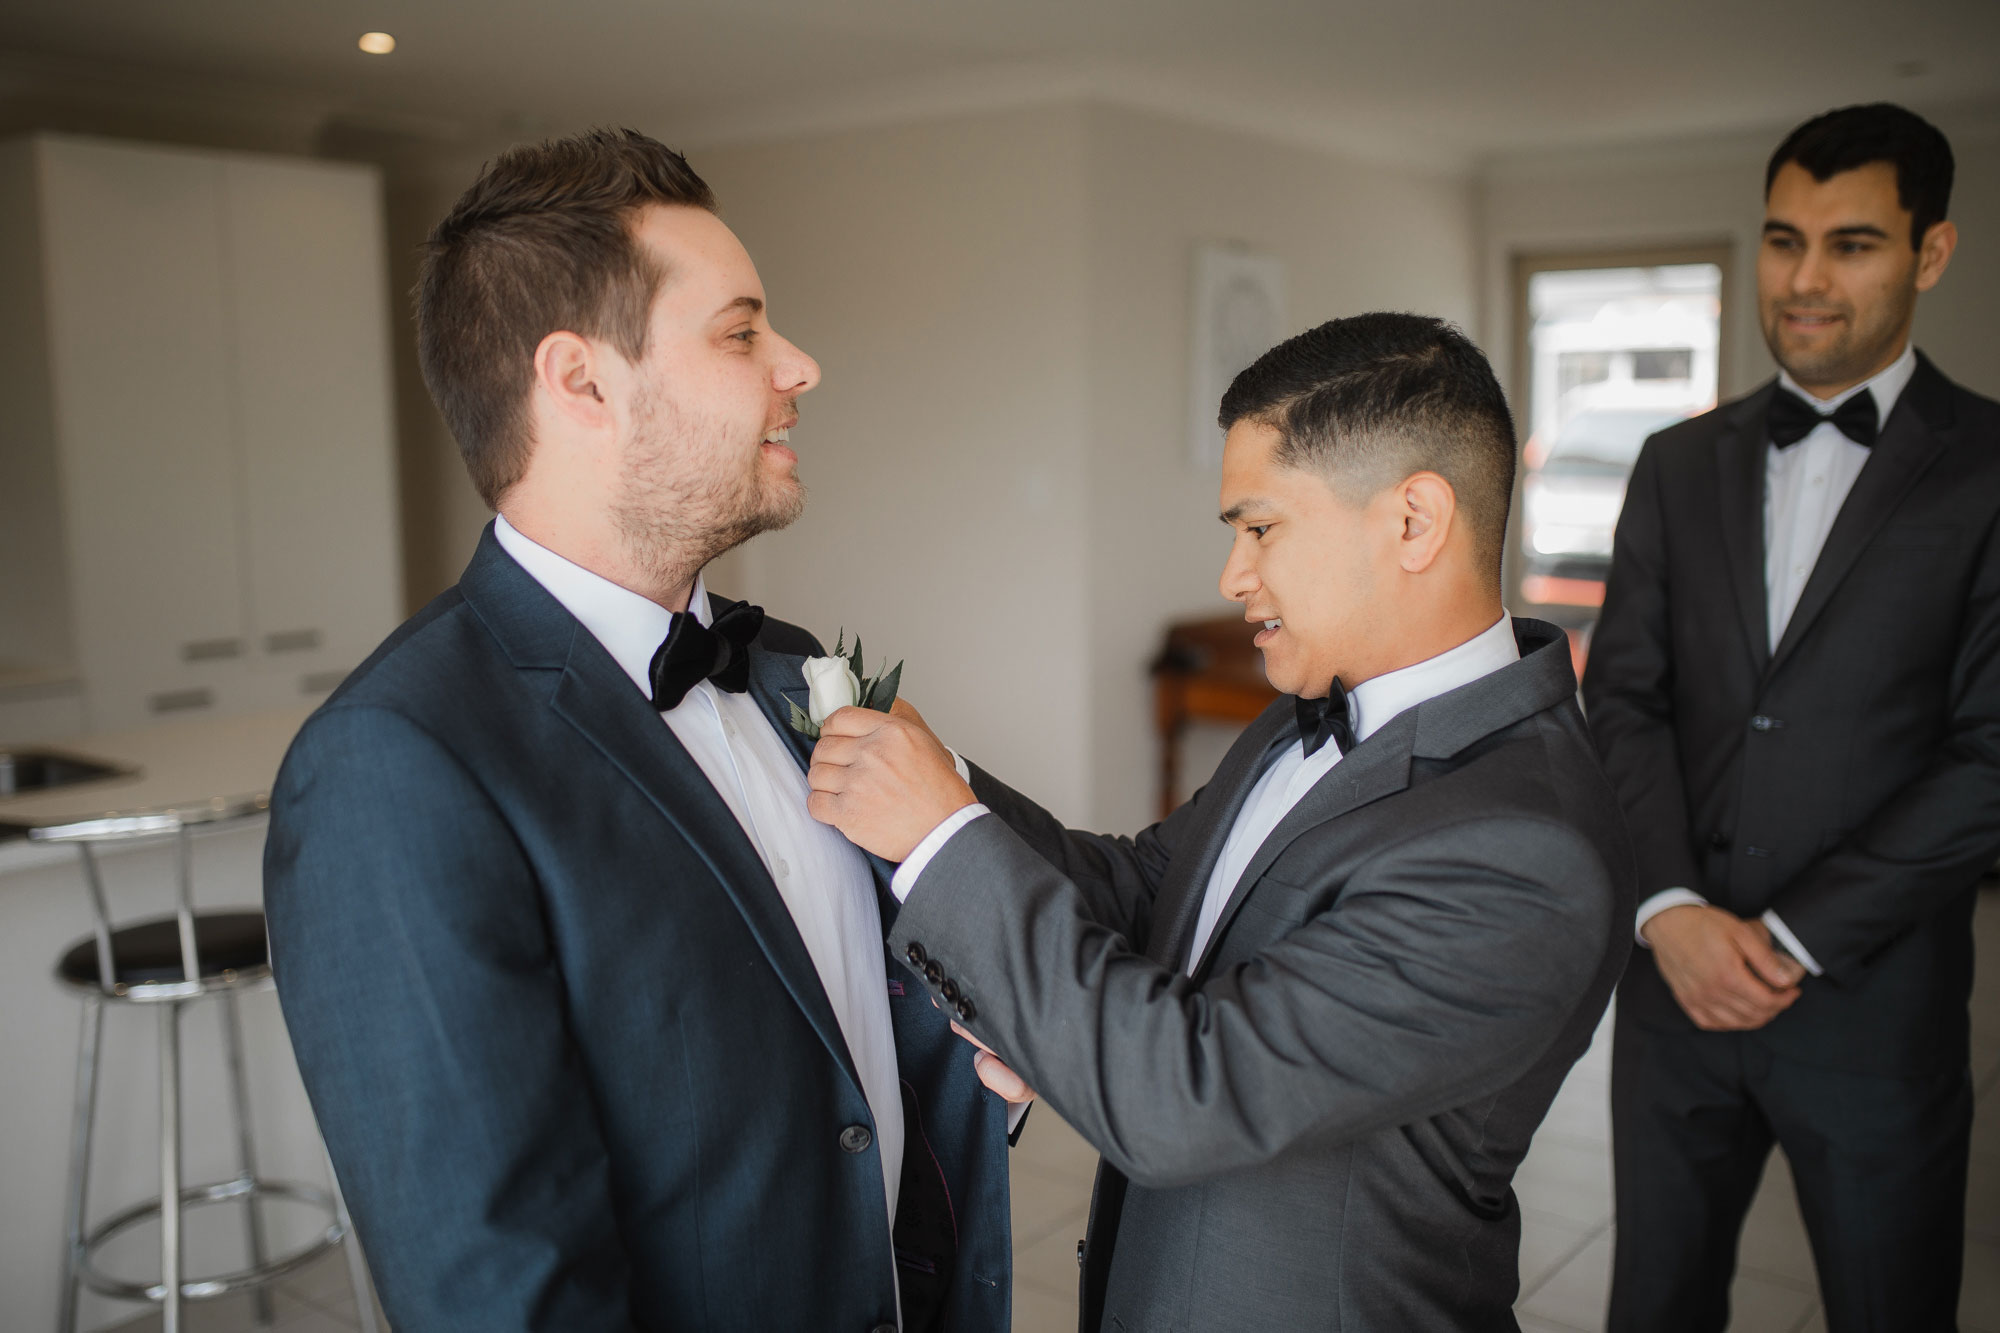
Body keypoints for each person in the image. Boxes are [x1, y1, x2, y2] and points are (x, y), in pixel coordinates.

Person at [262, 128, 1013, 1333]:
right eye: (741, 332)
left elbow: (848, 1042)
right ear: (581, 383)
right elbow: (497, 1288)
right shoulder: (396, 763)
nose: (800, 365)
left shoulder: (781, 669)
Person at [805, 313, 1636, 1330]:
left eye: (1260, 527)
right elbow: (1142, 890)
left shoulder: (1523, 846)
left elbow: (1181, 1093)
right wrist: (945, 785)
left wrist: (939, 838)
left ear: (1413, 521)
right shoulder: (1303, 713)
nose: (1231, 576)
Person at [1582, 103, 1999, 1332]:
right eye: (1780, 240)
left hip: (1870, 1008)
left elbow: (1990, 758)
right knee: (1652, 1304)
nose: (1804, 279)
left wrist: (1786, 938)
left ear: (1929, 252)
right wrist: (1667, 912)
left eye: (1851, 244)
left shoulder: (1987, 468)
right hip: (1668, 1000)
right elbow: (1623, 701)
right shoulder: (1672, 461)